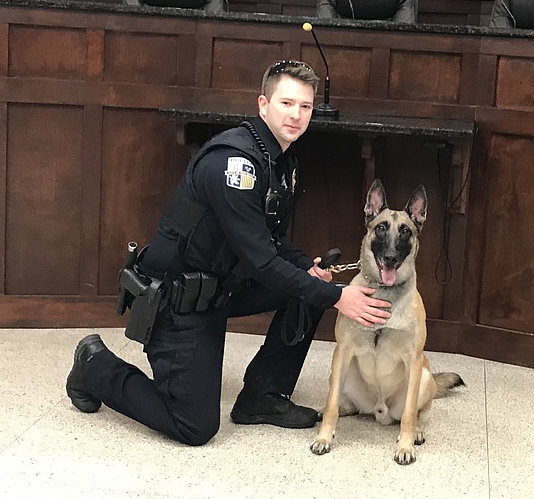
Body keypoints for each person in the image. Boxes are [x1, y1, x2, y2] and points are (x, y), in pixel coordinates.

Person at [66, 60, 392, 446]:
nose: (296, 115)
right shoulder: (232, 164)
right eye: (287, 103)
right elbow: (261, 260)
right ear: (262, 104)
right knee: (194, 426)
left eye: (305, 107)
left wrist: (308, 267)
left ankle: (262, 397)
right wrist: (339, 296)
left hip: (221, 286)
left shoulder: (282, 161)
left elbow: (270, 240)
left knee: (307, 287)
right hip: (179, 301)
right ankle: (93, 364)